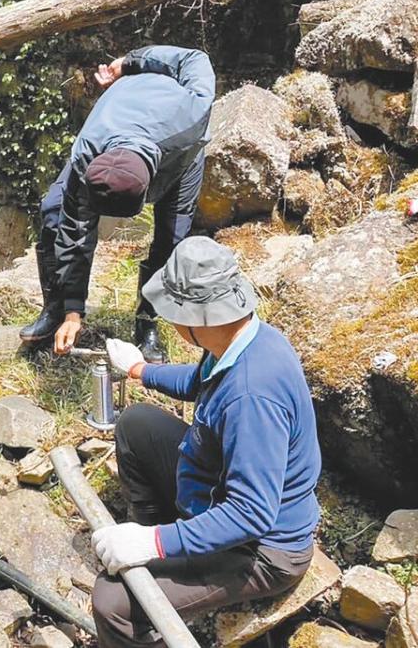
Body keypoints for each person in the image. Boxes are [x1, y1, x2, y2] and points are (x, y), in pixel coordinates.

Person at [89, 236, 321, 648]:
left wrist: (152, 543)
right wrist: (140, 370)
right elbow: (198, 382)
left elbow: (251, 514)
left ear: (198, 317)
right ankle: (161, 550)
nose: (170, 322)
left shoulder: (253, 395)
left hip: (261, 550)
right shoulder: (243, 339)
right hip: (216, 493)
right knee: (137, 423)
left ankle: (156, 576)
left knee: (111, 602)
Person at [19, 45, 216, 364]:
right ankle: (56, 309)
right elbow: (76, 234)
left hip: (181, 156)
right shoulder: (87, 151)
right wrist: (74, 312)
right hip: (114, 134)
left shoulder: (191, 112)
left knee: (171, 237)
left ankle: (147, 322)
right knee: (54, 213)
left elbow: (195, 58)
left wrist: (130, 63)